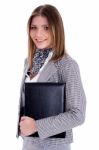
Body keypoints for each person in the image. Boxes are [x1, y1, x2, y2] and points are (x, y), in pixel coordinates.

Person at [16, 4, 86, 150]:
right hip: (29, 144)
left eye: (46, 28)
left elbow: (78, 114)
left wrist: (36, 126)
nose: (38, 34)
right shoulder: (29, 61)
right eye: (34, 27)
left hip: (54, 146)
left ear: (56, 29)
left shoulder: (67, 65)